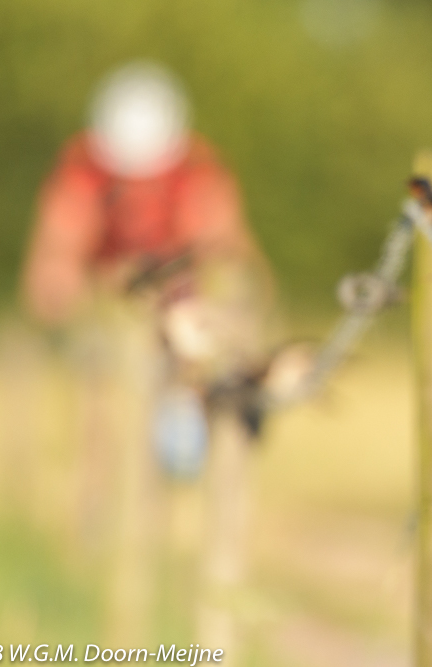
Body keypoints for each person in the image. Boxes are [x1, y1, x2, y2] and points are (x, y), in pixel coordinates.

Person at [23, 62, 277, 466]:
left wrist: (197, 322)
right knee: (101, 390)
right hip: (110, 313)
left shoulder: (198, 172)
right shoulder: (82, 171)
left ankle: (193, 427)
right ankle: (107, 463)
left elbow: (228, 257)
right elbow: (54, 261)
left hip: (184, 309)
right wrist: (72, 309)